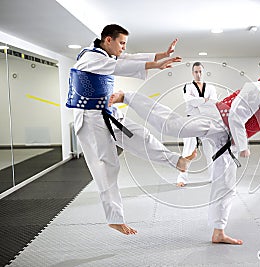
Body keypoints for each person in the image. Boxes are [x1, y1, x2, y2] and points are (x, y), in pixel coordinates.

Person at [109, 44, 260, 244]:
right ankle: (127, 97)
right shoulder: (257, 88)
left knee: (226, 184)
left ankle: (218, 232)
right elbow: (236, 117)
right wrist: (242, 146)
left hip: (227, 137)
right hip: (216, 120)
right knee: (172, 126)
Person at [66, 24, 188, 235]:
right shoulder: (92, 58)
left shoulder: (103, 54)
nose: (123, 48)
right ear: (108, 40)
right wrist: (155, 65)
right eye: (121, 43)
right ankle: (115, 218)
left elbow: (129, 59)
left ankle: (176, 161)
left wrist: (161, 55)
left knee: (140, 135)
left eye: (125, 44)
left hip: (108, 112)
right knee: (107, 166)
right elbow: (120, 67)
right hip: (91, 119)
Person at [176, 62, 218, 187]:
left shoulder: (211, 88)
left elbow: (214, 103)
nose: (198, 74)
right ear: (192, 73)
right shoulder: (187, 86)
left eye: (200, 71)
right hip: (191, 121)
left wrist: (199, 102)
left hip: (206, 121)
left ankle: (213, 176)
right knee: (188, 149)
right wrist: (205, 100)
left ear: (203, 72)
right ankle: (182, 178)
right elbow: (190, 101)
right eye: (196, 72)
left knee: (210, 150)